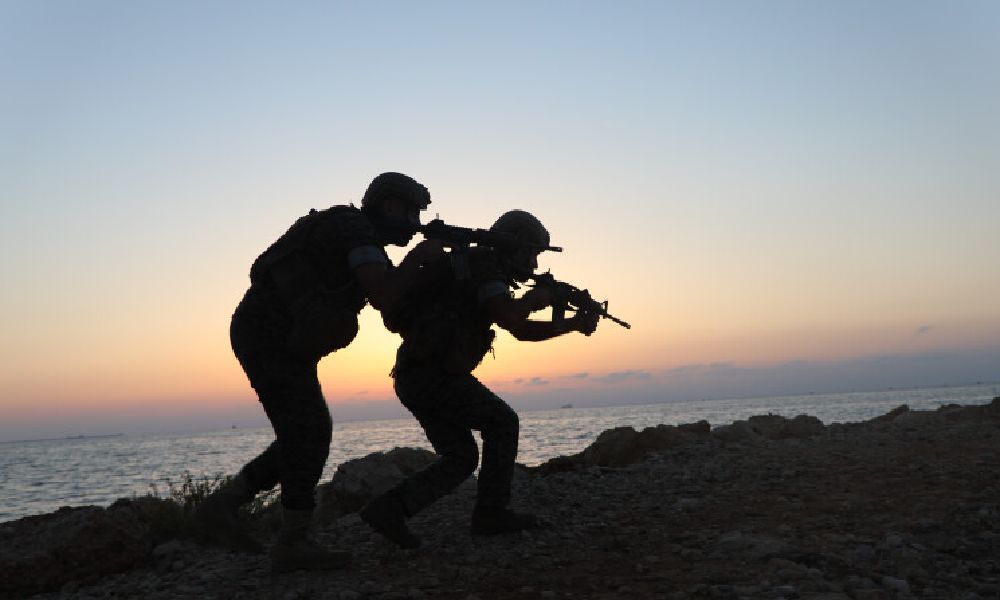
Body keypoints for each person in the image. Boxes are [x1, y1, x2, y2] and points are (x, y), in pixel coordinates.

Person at [194, 172, 443, 572]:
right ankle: (290, 542)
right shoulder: (355, 229)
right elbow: (383, 294)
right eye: (411, 213)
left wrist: (430, 273)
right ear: (390, 205)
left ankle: (225, 507)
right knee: (308, 430)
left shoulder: (365, 239)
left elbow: (393, 306)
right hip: (268, 335)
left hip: (282, 338)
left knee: (303, 432)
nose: (415, 224)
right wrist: (420, 257)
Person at [359, 210, 599, 548]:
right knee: (502, 422)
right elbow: (510, 316)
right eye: (531, 253)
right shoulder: (484, 266)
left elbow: (520, 330)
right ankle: (491, 514)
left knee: (460, 456)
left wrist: (571, 324)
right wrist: (537, 299)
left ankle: (389, 510)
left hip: (416, 376)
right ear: (515, 246)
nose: (533, 263)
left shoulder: (477, 267)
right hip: (433, 375)